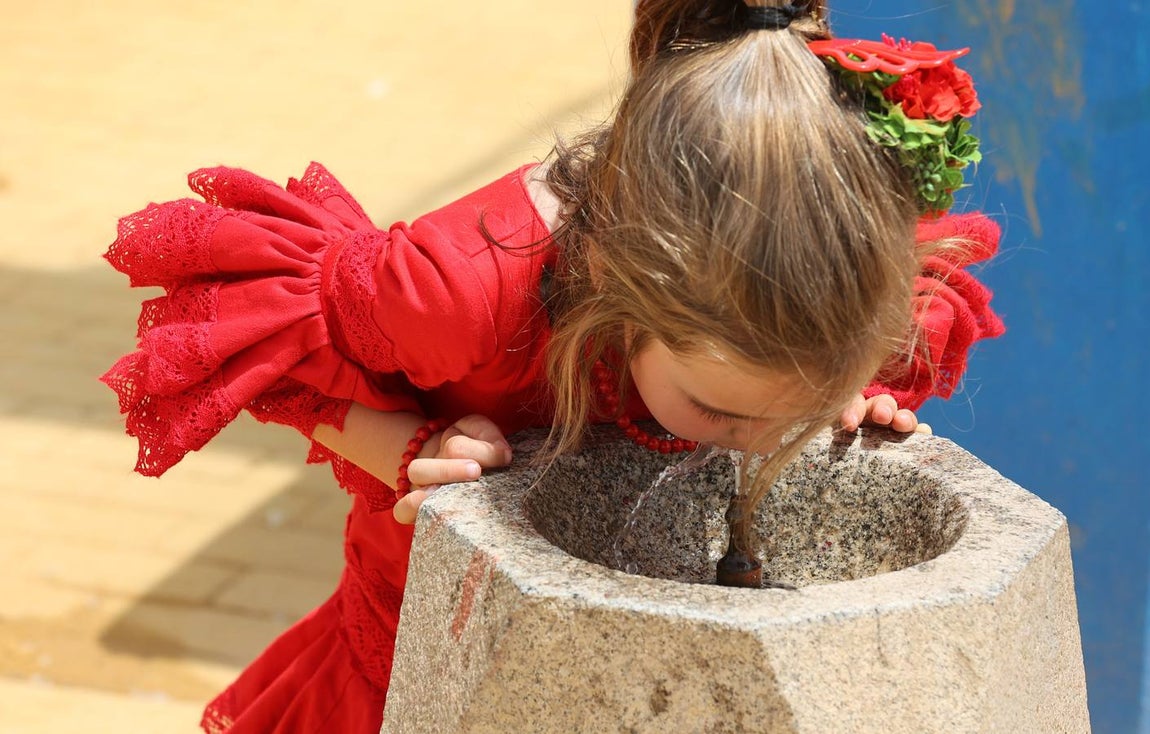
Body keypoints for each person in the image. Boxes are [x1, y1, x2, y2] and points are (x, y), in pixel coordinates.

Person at [101, 1, 1004, 731]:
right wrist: (407, 451)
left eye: (797, 411)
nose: (760, 443)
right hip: (433, 650)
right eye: (721, 412)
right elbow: (263, 356)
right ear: (618, 285)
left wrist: (848, 389)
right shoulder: (455, 291)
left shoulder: (829, 257)